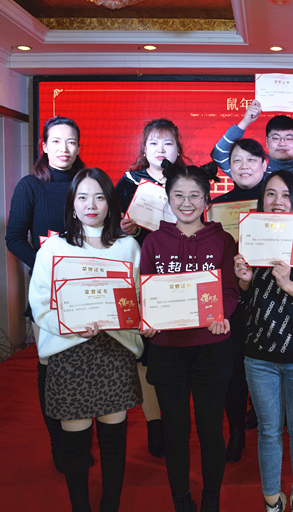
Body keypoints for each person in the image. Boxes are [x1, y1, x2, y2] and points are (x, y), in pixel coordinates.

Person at [30, 168, 143, 512]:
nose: (90, 205)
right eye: (82, 197)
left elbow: (139, 299)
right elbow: (40, 302)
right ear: (72, 204)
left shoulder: (127, 246)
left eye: (99, 197)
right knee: (76, 446)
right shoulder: (54, 248)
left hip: (114, 351)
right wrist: (70, 325)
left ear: (111, 203)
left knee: (113, 442)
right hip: (69, 355)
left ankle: (111, 504)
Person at [140, 163, 239, 512]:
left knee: (211, 431)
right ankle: (181, 500)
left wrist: (222, 315)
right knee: (176, 433)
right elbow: (146, 293)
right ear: (168, 199)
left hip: (211, 349)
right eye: (178, 195)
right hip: (167, 351)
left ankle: (211, 499)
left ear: (207, 199)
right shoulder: (153, 242)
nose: (186, 203)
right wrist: (147, 320)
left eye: (194, 195)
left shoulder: (223, 241)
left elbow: (230, 290)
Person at [233, 170, 293, 512]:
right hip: (260, 354)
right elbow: (246, 302)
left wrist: (288, 285)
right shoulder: (251, 240)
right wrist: (244, 282)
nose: (278, 201)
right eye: (271, 194)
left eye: (286, 195)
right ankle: (272, 500)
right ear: (261, 200)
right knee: (268, 431)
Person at [5, 115, 86, 473]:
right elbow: (14, 238)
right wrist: (48, 266)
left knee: (83, 367)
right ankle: (59, 441)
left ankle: (80, 440)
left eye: (71, 141)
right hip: (47, 292)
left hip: (88, 291)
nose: (64, 148)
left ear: (78, 147)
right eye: (56, 141)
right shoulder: (31, 186)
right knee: (51, 366)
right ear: (44, 146)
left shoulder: (88, 182)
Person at [114, 118, 187, 459]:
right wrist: (123, 228)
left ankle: (175, 420)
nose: (161, 149)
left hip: (180, 277)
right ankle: (154, 423)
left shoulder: (186, 181)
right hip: (141, 277)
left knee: (177, 350)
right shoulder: (129, 182)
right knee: (146, 354)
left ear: (178, 148)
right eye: (154, 143)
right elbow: (108, 229)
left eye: (168, 143)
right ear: (144, 149)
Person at [209, 138, 267, 463]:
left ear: (264, 165)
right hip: (232, 299)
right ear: (228, 167)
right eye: (237, 161)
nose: (244, 166)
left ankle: (263, 419)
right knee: (233, 370)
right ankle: (235, 432)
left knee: (266, 366)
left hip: (269, 297)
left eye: (251, 160)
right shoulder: (218, 207)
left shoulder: (274, 202)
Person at [210, 98, 293, 192]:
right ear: (267, 142)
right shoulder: (253, 171)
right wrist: (245, 122)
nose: (282, 143)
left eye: (289, 138)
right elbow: (218, 154)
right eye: (276, 138)